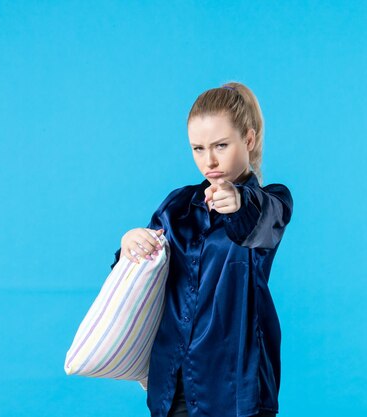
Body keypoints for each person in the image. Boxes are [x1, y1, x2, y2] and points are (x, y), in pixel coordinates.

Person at [110, 82, 294, 417]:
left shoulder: (274, 201)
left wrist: (239, 201)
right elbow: (139, 282)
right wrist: (128, 247)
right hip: (173, 382)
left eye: (221, 145)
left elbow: (260, 224)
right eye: (197, 148)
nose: (209, 160)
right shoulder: (177, 206)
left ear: (248, 140)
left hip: (237, 386)